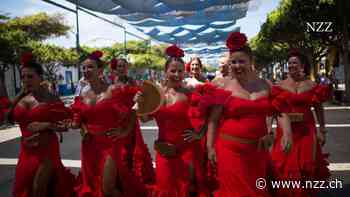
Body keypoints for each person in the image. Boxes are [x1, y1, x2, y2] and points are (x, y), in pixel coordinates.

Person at [206, 32, 292, 197]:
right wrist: (210, 147)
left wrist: (287, 133)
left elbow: (280, 110)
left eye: (241, 61)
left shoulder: (265, 84)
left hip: (257, 152)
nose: (237, 65)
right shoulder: (223, 87)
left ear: (251, 62)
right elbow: (213, 120)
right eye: (233, 62)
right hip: (229, 151)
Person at [65, 51, 147, 197]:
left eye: (90, 67)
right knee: (93, 186)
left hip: (111, 144)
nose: (86, 71)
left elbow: (134, 108)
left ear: (100, 70)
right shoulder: (81, 94)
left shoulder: (114, 90)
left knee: (108, 187)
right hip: (89, 146)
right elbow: (78, 121)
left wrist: (125, 131)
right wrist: (74, 125)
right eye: (83, 68)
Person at [134, 45, 211, 197]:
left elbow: (208, 116)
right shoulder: (157, 95)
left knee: (186, 190)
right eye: (173, 70)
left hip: (187, 150)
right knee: (165, 191)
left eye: (180, 71)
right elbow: (144, 119)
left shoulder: (190, 93)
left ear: (185, 72)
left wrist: (199, 134)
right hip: (165, 152)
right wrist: (138, 104)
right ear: (165, 71)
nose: (177, 74)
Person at [9, 52, 75, 197]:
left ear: (40, 77)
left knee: (39, 190)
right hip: (26, 151)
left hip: (47, 151)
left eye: (30, 76)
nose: (26, 80)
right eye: (23, 77)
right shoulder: (20, 98)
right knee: (25, 190)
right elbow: (8, 119)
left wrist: (45, 125)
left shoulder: (50, 97)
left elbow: (65, 126)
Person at [270, 49, 330, 197]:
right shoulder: (279, 85)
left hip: (306, 130)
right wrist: (268, 130)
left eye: (294, 62)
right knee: (284, 164)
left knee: (305, 164)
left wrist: (322, 130)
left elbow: (318, 108)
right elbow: (274, 110)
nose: (291, 65)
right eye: (289, 63)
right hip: (285, 131)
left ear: (302, 65)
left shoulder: (312, 85)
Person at [109, 57, 155, 185]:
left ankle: (134, 181)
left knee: (134, 151)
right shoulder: (110, 85)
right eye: (119, 66)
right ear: (115, 68)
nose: (122, 68)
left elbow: (141, 100)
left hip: (133, 121)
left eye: (124, 66)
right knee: (119, 154)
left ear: (127, 68)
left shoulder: (133, 82)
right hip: (117, 123)